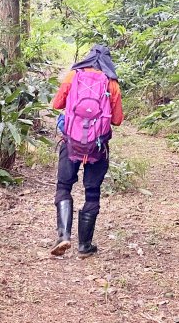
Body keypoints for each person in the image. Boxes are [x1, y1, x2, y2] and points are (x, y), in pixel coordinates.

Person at [50, 44, 123, 258]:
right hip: (97, 147)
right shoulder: (111, 83)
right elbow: (117, 120)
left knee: (64, 186)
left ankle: (63, 235)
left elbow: (57, 104)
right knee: (92, 193)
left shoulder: (74, 75)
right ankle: (85, 246)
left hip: (71, 142)